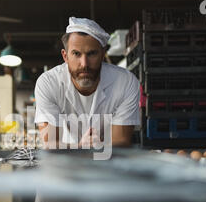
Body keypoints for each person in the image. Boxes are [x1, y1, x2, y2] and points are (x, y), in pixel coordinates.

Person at [34, 17, 140, 149]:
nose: (84, 64)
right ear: (65, 56)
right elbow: (50, 143)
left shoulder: (126, 82)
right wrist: (80, 147)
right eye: (76, 54)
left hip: (110, 161)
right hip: (67, 158)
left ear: (102, 54)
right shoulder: (48, 84)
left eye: (92, 54)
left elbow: (121, 141)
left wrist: (96, 148)